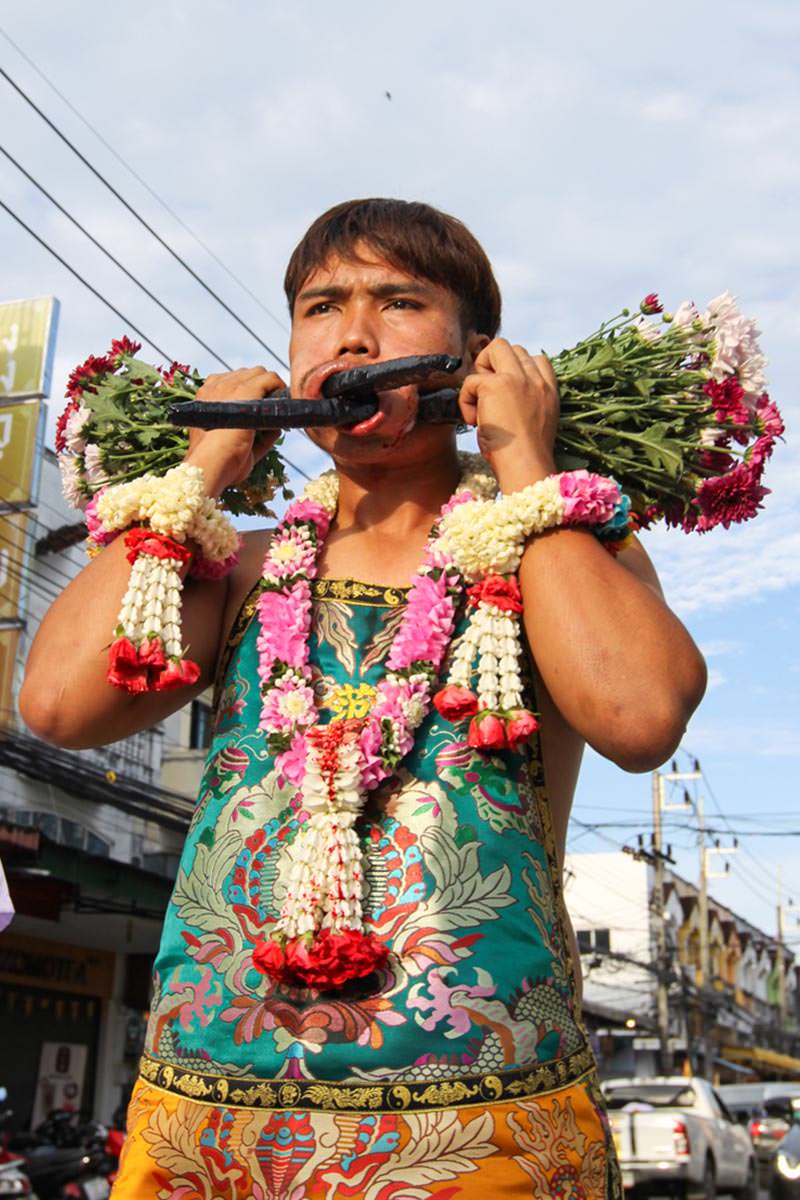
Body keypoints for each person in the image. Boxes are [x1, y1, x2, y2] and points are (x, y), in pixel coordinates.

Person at [20, 198, 707, 1199]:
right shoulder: (240, 567)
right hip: (209, 1128)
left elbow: (638, 716)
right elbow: (57, 708)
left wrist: (523, 457)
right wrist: (199, 468)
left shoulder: (560, 552)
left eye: (398, 302)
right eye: (319, 306)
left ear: (473, 355)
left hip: (485, 1124)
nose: (352, 333)